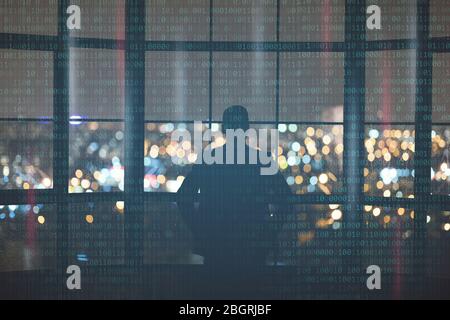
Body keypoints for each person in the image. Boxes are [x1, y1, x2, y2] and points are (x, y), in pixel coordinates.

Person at [177, 105, 292, 272]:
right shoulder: (261, 160)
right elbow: (286, 200)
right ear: (246, 129)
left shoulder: (209, 159)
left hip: (216, 244)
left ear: (224, 129)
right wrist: (269, 231)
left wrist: (200, 228)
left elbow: (183, 197)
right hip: (253, 245)